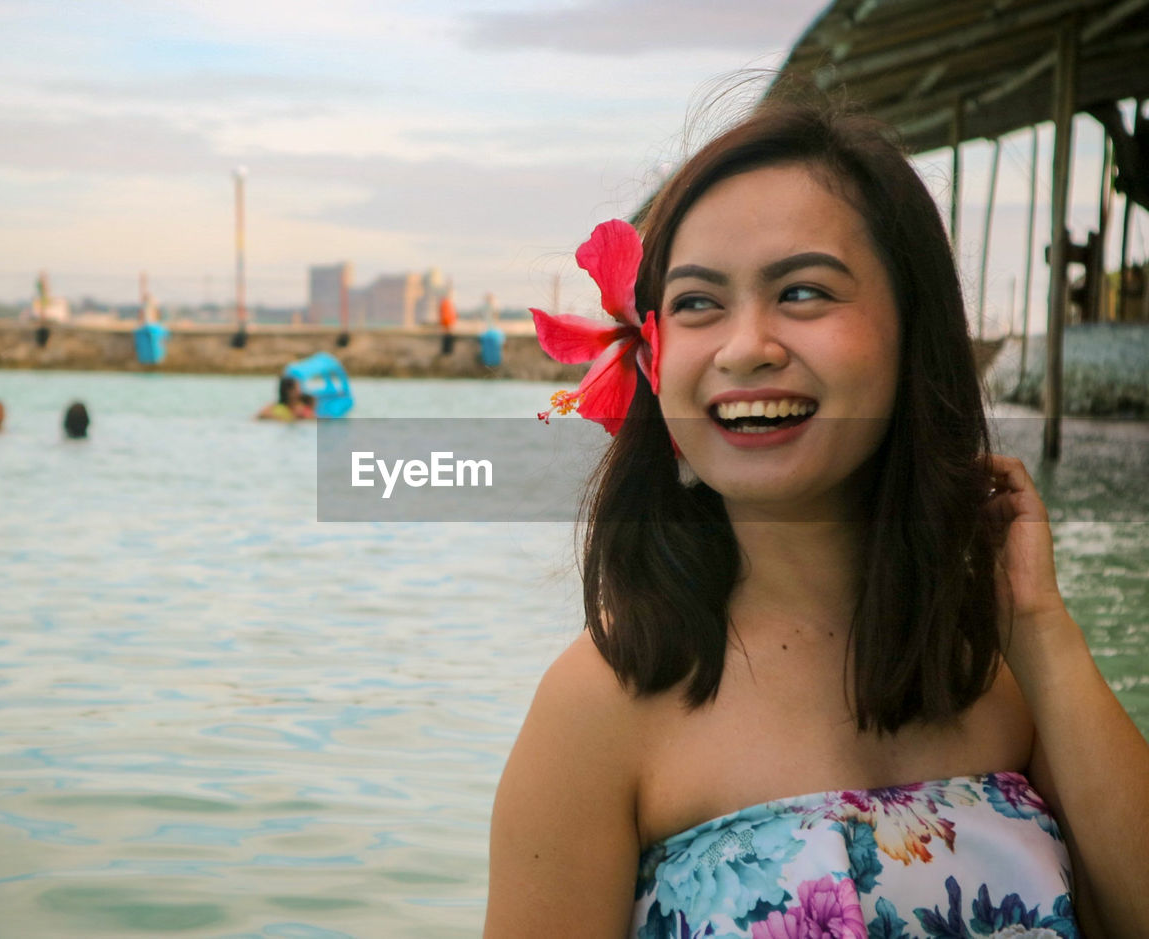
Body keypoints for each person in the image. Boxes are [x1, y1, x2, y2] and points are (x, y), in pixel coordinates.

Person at [486, 96, 1149, 937]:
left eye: (802, 292)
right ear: (654, 362)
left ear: (914, 333)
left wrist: (1044, 631)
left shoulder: (1006, 661)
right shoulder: (602, 705)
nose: (744, 346)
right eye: (697, 303)